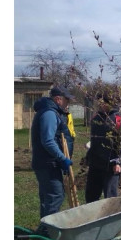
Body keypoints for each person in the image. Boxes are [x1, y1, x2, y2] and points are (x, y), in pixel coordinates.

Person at [31, 87, 75, 220]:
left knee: (47, 197)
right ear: (58, 99)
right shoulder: (50, 114)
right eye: (67, 101)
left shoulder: (50, 111)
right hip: (48, 163)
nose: (68, 104)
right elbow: (48, 141)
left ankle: (44, 231)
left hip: (46, 162)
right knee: (56, 196)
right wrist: (63, 159)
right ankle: (47, 232)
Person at [85, 95, 121, 202]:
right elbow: (94, 140)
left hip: (111, 165)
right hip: (95, 163)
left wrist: (119, 161)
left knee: (110, 197)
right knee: (91, 196)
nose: (99, 105)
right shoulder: (96, 118)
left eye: (101, 102)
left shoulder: (119, 119)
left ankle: (112, 218)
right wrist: (88, 156)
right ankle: (94, 217)